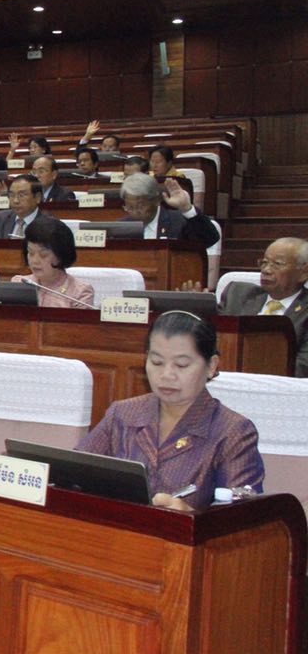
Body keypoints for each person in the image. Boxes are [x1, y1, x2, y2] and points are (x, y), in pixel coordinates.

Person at [76, 312, 264, 511]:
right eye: (157, 362)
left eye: (181, 365)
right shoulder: (122, 414)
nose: (166, 375)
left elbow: (242, 523)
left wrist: (192, 518)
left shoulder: (234, 432)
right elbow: (73, 473)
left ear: (211, 366)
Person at [215, 238, 308, 377]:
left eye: (277, 264)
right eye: (264, 263)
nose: (266, 270)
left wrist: (248, 371)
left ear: (304, 273)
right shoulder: (238, 295)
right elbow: (209, 339)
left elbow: (303, 367)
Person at [11, 217, 96, 308]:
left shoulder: (80, 293)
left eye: (43, 255)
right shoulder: (20, 283)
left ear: (60, 255)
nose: (34, 260)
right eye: (31, 253)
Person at [119, 173, 219, 248]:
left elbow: (210, 240)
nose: (135, 212)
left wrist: (187, 209)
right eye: (129, 207)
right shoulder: (122, 227)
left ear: (157, 200)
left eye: (140, 206)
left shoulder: (179, 222)